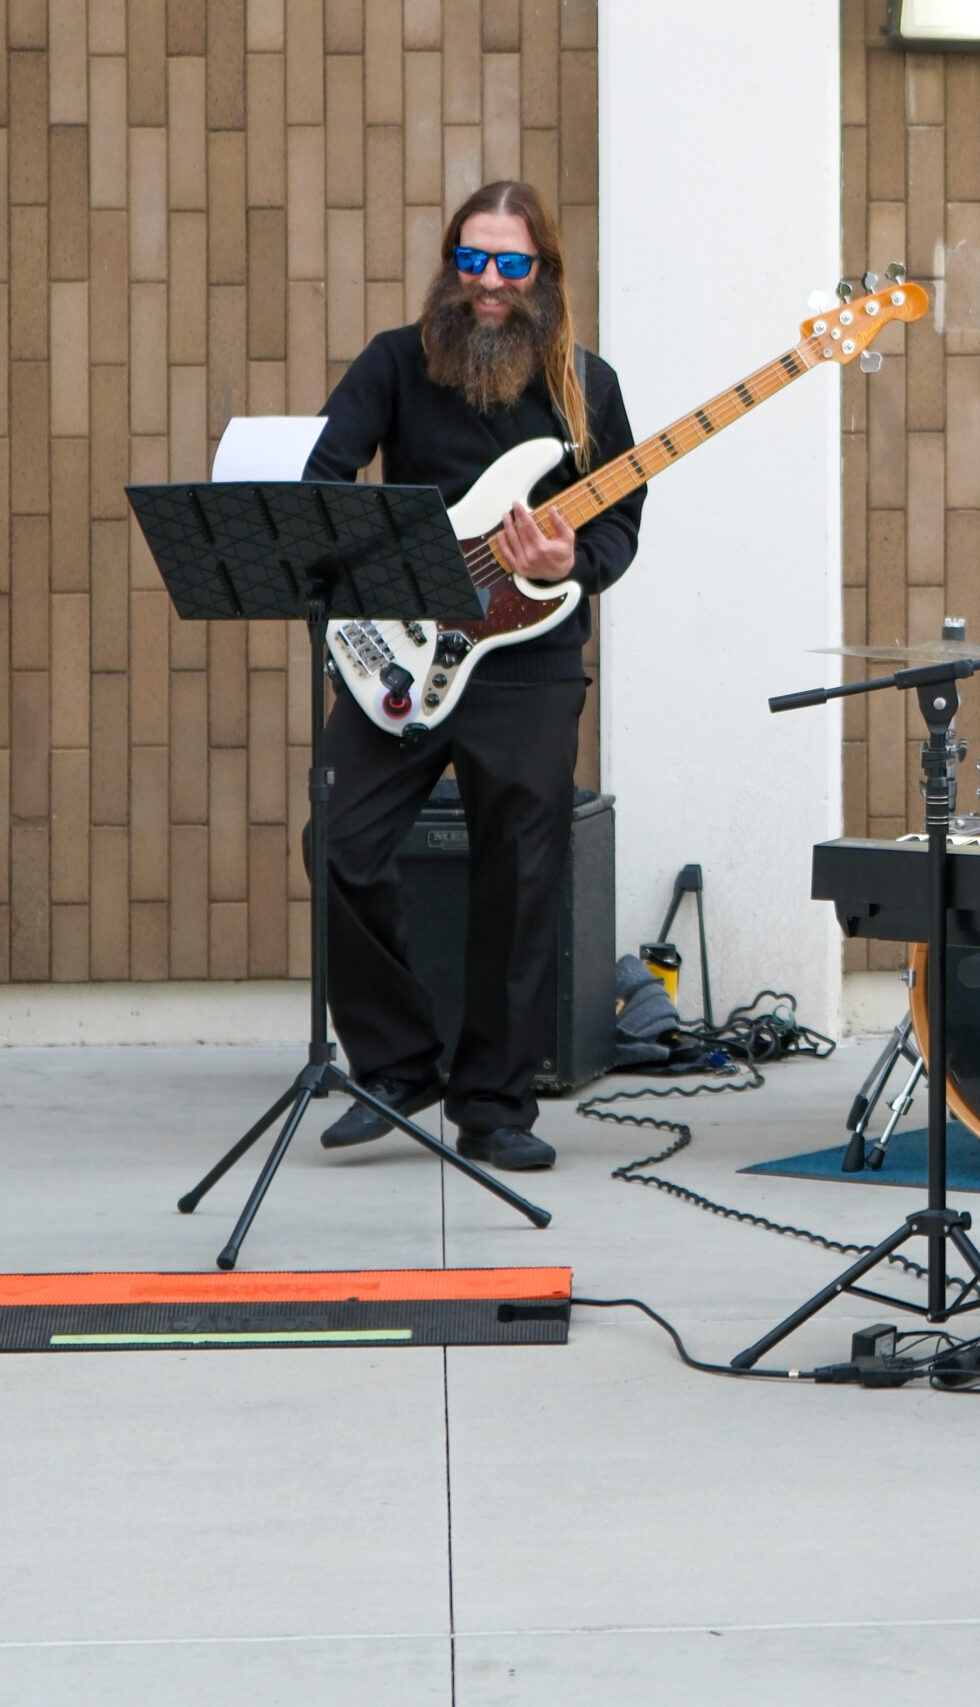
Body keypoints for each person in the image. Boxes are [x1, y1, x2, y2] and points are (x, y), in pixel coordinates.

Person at [300, 180, 646, 1172]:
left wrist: (564, 564)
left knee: (522, 870)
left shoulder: (589, 386)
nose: (489, 284)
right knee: (338, 845)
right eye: (472, 260)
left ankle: (495, 1105)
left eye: (511, 264)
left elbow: (620, 525)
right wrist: (397, 567)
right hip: (400, 647)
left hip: (527, 658)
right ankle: (401, 1065)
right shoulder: (395, 364)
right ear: (450, 264)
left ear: (544, 274)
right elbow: (324, 486)